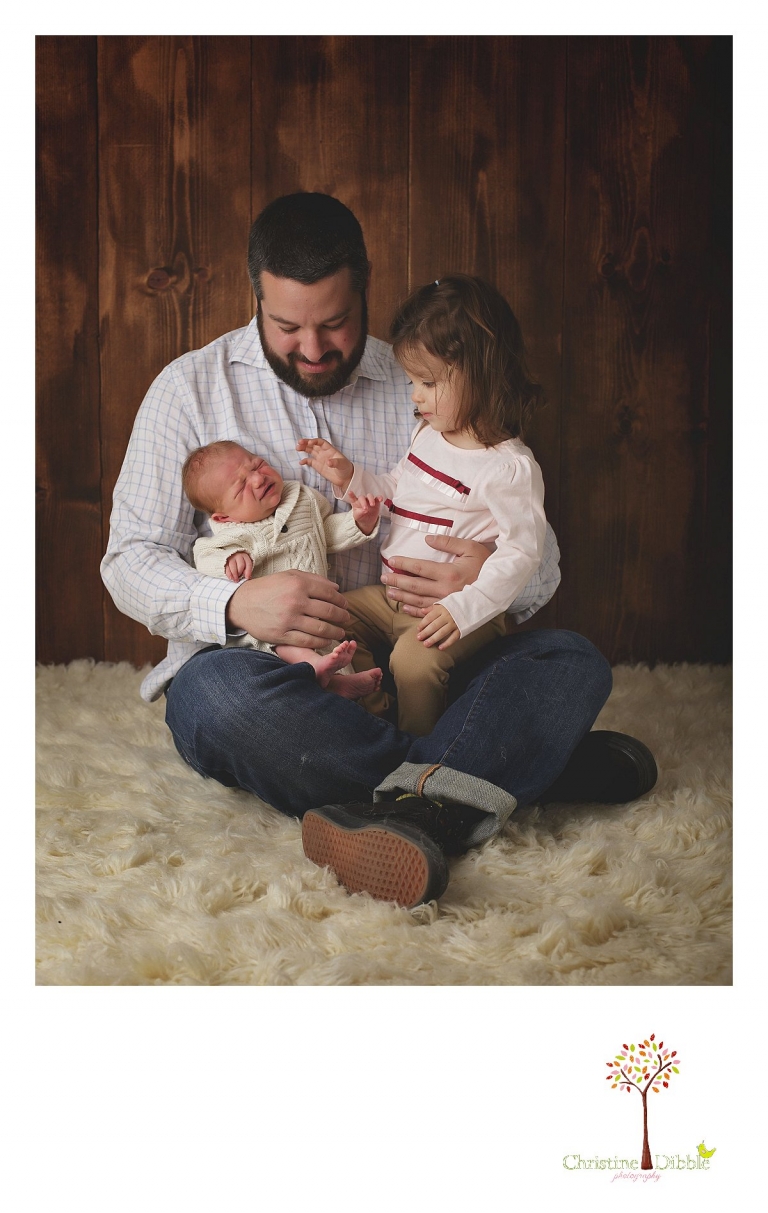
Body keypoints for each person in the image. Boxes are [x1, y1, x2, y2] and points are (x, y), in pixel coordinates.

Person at [101, 191, 657, 911]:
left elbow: (536, 551)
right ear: (256, 299)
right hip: (286, 679)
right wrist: (233, 602)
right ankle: (493, 773)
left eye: (333, 323)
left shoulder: (425, 380)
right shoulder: (188, 390)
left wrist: (485, 572)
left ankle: (416, 805)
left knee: (569, 661)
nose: (311, 347)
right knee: (216, 699)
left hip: (427, 649)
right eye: (287, 326)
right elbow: (129, 558)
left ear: (366, 289)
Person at [297, 273, 548, 737]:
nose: (415, 396)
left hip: (456, 609)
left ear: (482, 372)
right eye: (413, 381)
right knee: (332, 620)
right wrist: (351, 478)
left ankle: (420, 758)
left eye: (428, 382)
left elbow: (522, 554)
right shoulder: (428, 434)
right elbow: (398, 489)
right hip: (391, 595)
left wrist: (465, 608)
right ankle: (379, 725)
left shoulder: (509, 468)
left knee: (414, 664)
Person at [183, 438, 385, 700]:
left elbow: (325, 534)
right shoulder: (233, 533)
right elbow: (204, 555)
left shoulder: (302, 500)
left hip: (316, 620)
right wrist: (230, 557)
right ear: (224, 517)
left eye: (257, 465)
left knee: (332, 651)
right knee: (289, 645)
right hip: (266, 630)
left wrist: (358, 523)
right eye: (241, 486)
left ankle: (339, 684)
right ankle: (320, 672)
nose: (257, 479)